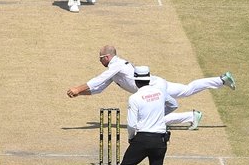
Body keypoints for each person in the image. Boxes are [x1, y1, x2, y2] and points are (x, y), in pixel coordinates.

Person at [66, 45, 236, 129]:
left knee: (147, 122)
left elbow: (98, 79)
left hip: (155, 88)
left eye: (100, 58)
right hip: (157, 84)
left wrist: (77, 88)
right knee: (187, 89)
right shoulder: (114, 70)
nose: (99, 61)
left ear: (108, 56)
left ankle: (191, 116)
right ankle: (221, 81)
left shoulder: (115, 65)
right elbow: (98, 88)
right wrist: (80, 94)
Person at [98, 66, 170, 165]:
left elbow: (131, 124)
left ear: (136, 81)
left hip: (142, 139)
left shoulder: (135, 98)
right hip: (160, 139)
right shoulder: (160, 93)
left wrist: (131, 137)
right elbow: (173, 104)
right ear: (149, 78)